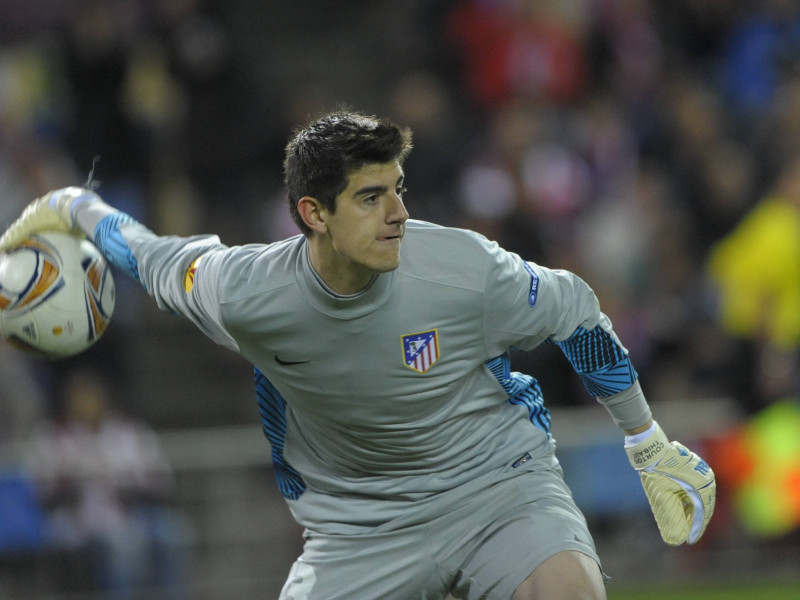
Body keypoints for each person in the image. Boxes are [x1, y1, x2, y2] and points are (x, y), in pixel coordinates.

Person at [1, 110, 715, 600]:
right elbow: (146, 254)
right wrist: (71, 206)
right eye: (371, 197)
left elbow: (578, 313)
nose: (399, 212)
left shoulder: (463, 269)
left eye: (397, 188)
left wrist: (646, 441)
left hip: (498, 488)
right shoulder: (244, 292)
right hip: (358, 526)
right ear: (314, 215)